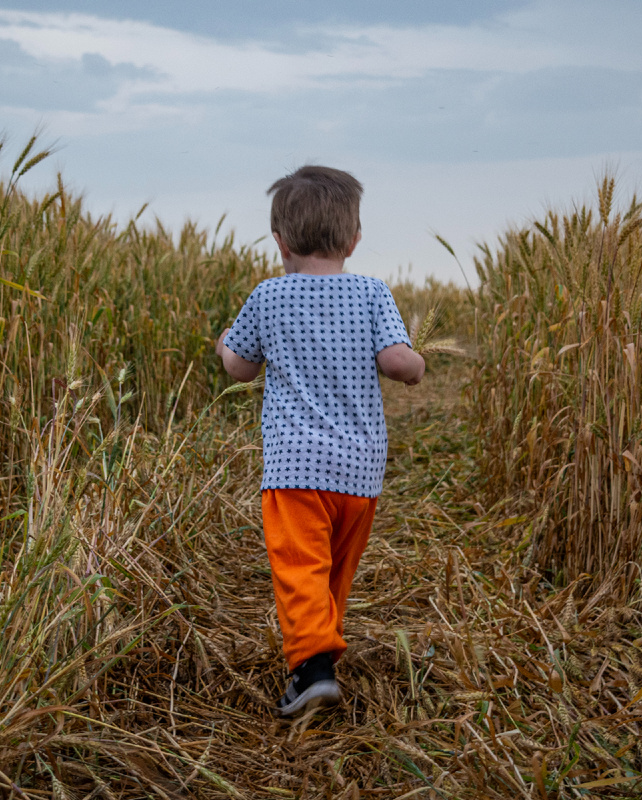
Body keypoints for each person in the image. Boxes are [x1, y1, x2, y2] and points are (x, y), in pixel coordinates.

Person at [215, 165, 425, 716]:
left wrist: (223, 344)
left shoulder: (268, 297)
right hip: (359, 474)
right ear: (354, 240)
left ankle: (313, 669)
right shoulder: (373, 293)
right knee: (333, 572)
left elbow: (237, 366)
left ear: (279, 241)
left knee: (299, 567)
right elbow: (397, 361)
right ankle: (318, 657)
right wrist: (417, 365)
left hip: (295, 470)